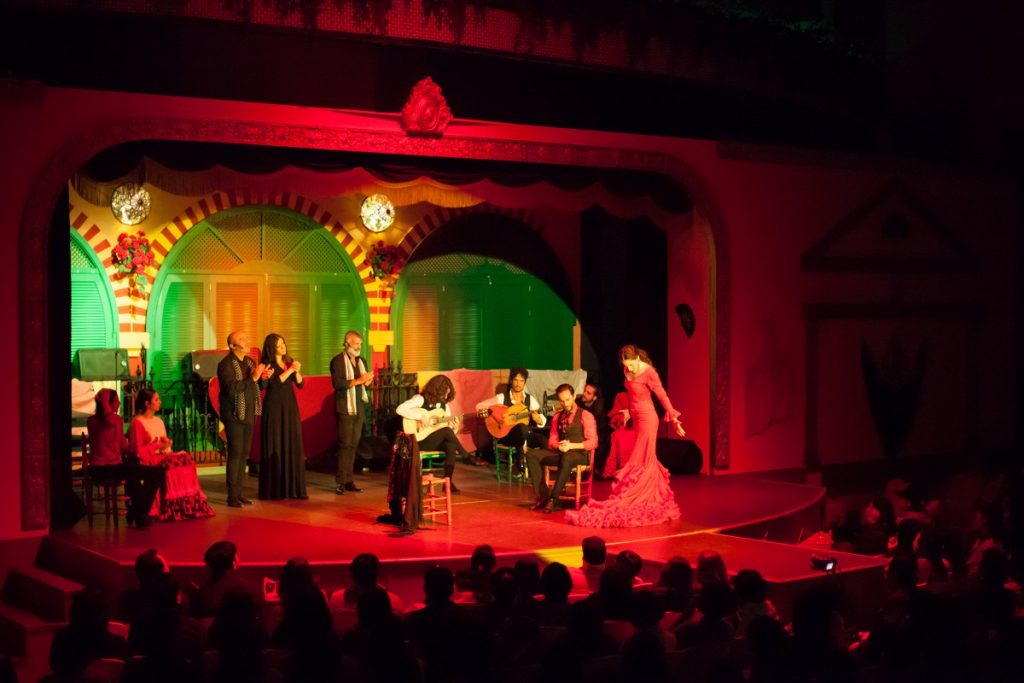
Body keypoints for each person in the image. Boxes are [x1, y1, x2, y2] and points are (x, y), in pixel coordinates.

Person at [565, 344, 684, 528]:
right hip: (635, 418)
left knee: (642, 458)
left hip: (648, 419)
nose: (628, 368)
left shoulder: (649, 372)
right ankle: (646, 495)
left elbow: (661, 395)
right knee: (644, 459)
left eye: (630, 364)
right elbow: (633, 395)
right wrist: (629, 411)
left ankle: (641, 497)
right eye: (625, 365)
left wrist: (674, 418)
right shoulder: (627, 369)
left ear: (637, 358)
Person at [128, 389, 215, 521]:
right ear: (147, 403)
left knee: (186, 460)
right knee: (172, 465)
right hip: (147, 460)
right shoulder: (137, 423)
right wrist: (157, 446)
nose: (160, 402)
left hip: (161, 455)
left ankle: (188, 506)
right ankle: (171, 508)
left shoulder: (159, 421)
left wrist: (166, 444)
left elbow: (164, 445)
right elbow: (139, 452)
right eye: (156, 400)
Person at [85, 388, 163, 529]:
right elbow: (108, 420)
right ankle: (139, 514)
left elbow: (124, 446)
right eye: (116, 400)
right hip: (100, 468)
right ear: (107, 403)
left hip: (115, 467)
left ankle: (136, 512)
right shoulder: (96, 421)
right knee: (132, 472)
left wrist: (149, 445)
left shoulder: (113, 420)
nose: (120, 402)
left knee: (154, 472)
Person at [525, 383, 597, 514]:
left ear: (574, 396)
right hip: (562, 452)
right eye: (562, 401)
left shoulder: (585, 415)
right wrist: (558, 445)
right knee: (532, 455)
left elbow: (593, 442)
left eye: (568, 400)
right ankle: (543, 495)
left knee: (568, 457)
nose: (565, 404)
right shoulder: (558, 416)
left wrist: (572, 446)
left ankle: (553, 499)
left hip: (579, 454)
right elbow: (552, 440)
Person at [217, 331, 270, 507]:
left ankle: (239, 493)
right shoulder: (225, 365)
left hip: (248, 412)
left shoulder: (249, 362)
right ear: (232, 346)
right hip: (233, 414)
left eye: (247, 338)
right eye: (241, 339)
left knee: (243, 455)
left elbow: (255, 387)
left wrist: (262, 379)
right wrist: (254, 377)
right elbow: (232, 388)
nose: (247, 341)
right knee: (235, 453)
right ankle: (232, 496)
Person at [395, 374, 468, 493]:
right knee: (447, 433)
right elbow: (400, 409)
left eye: (447, 394)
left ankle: (448, 481)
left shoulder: (445, 406)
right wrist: (420, 416)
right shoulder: (420, 399)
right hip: (419, 440)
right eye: (443, 393)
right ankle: (465, 456)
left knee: (451, 444)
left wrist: (454, 427)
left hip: (433, 440)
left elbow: (448, 432)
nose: (445, 397)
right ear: (436, 390)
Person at [258, 333, 307, 500]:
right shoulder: (267, 364)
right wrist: (290, 370)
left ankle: (292, 488)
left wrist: (297, 372)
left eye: (283, 344)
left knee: (292, 443)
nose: (283, 347)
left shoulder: (288, 362)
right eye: (279, 345)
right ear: (272, 348)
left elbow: (300, 384)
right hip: (274, 408)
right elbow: (273, 384)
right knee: (276, 443)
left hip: (290, 407)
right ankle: (275, 490)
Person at [476, 367, 546, 469]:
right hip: (508, 436)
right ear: (511, 381)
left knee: (543, 440)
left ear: (525, 382)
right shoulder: (502, 398)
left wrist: (538, 419)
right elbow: (480, 407)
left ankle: (541, 471)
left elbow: (542, 419)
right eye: (516, 380)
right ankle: (520, 462)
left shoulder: (530, 399)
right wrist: (499, 416)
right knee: (521, 427)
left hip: (526, 435)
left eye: (521, 381)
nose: (518, 383)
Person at [330, 330, 371, 495]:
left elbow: (363, 383)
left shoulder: (362, 361)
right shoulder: (337, 361)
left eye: (360, 344)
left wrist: (367, 380)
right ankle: (340, 481)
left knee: (353, 445)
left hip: (358, 407)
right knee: (344, 444)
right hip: (345, 407)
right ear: (347, 343)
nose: (359, 347)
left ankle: (349, 480)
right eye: (356, 344)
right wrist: (359, 381)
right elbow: (337, 383)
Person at [601, 390, 637, 479]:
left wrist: (632, 414)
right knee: (619, 435)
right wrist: (624, 415)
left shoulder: (643, 396)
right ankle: (622, 470)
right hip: (623, 428)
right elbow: (616, 413)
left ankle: (635, 470)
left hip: (638, 428)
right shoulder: (621, 396)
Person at [577, 381, 610, 472]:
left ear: (594, 397)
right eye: (584, 391)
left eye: (588, 393)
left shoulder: (599, 411)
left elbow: (600, 429)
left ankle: (594, 469)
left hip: (595, 435)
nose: (584, 394)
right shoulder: (577, 403)